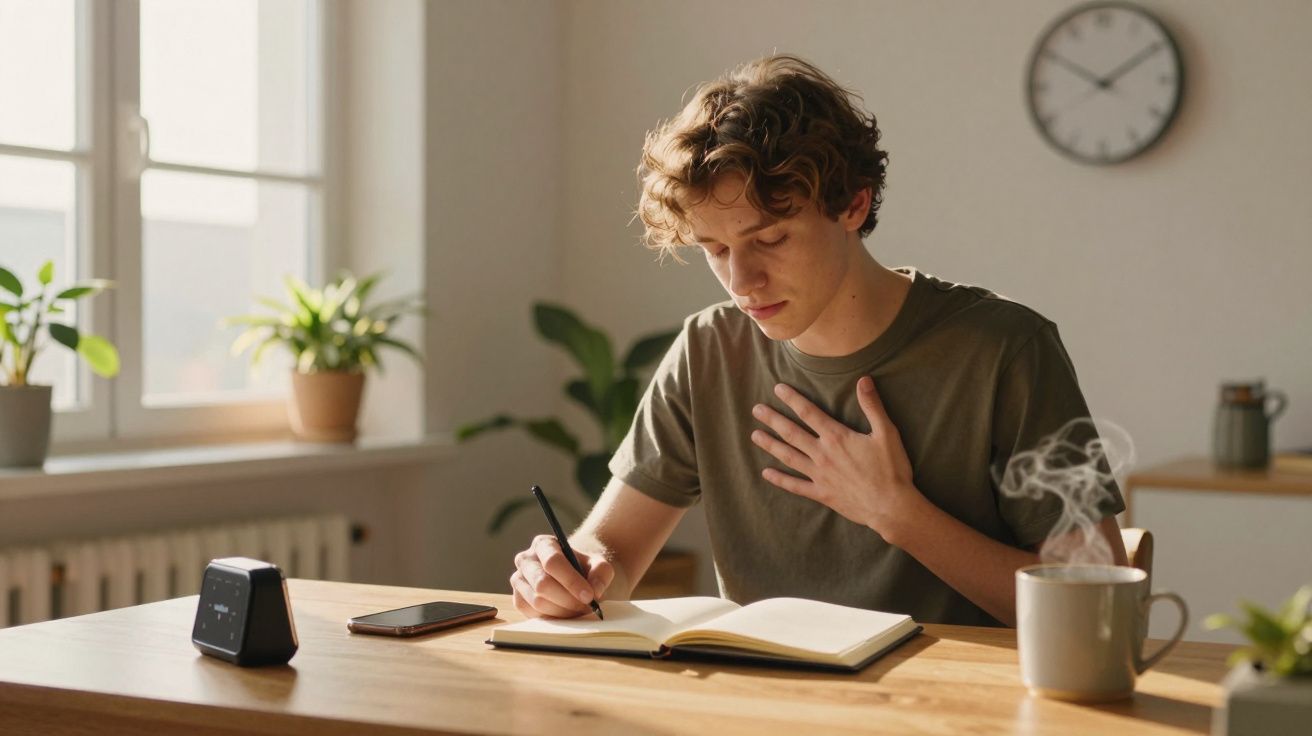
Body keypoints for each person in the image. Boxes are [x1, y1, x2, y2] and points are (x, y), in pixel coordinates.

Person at [508, 54, 1127, 628]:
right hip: (765, 694)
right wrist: (573, 572)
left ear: (853, 204)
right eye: (715, 249)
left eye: (770, 239)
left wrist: (896, 512)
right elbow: (612, 551)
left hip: (950, 698)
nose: (741, 282)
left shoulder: (1004, 349)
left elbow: (1095, 608)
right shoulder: (709, 350)